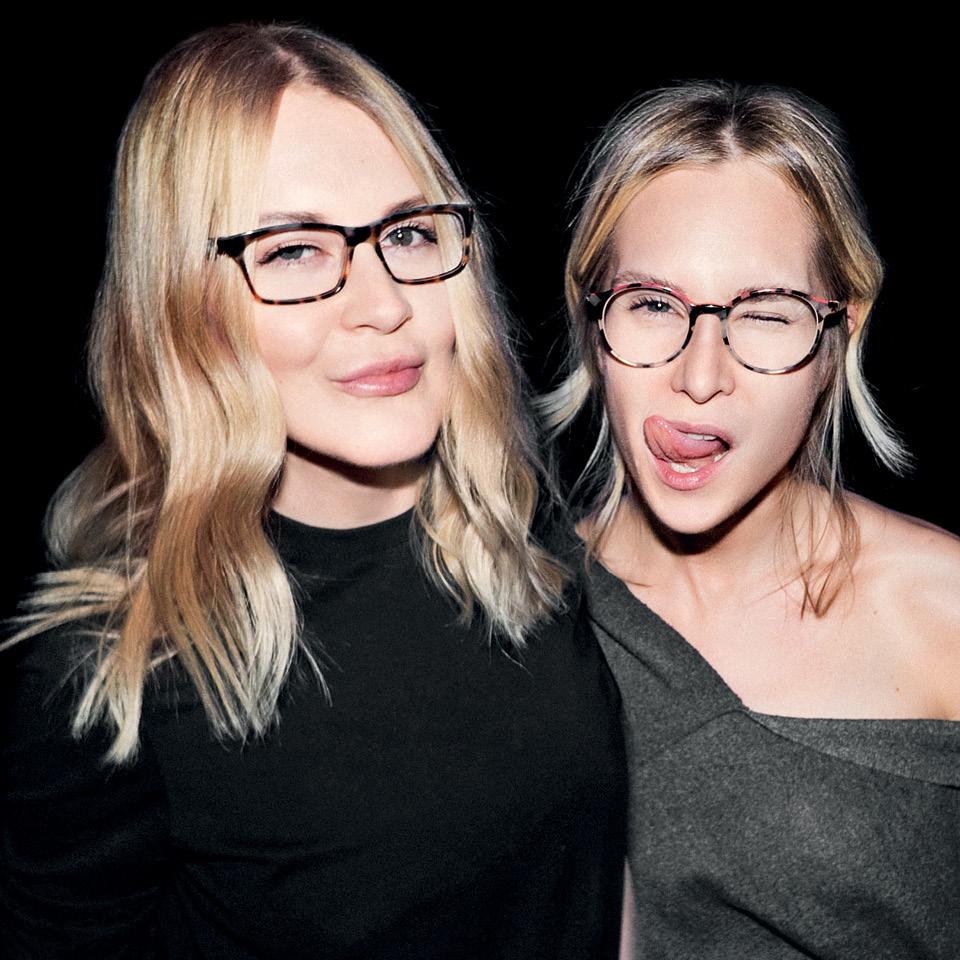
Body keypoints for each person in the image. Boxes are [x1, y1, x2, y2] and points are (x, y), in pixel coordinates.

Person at [0, 23, 626, 959]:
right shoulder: (112, 680)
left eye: (407, 234)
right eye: (294, 251)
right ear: (181, 303)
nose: (384, 304)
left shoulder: (542, 541)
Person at [544, 80, 959, 959]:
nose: (701, 377)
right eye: (652, 304)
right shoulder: (519, 617)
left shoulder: (945, 610)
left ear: (837, 339)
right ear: (593, 321)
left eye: (765, 314)